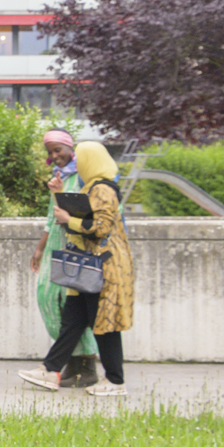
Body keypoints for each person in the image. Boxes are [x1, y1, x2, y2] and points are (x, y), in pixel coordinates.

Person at [20, 141, 135, 396]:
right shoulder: (90, 187)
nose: (78, 163)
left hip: (103, 268)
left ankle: (115, 381)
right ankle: (50, 370)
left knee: (104, 325)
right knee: (73, 320)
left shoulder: (103, 189)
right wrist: (57, 194)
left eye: (81, 159)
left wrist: (69, 219)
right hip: (89, 266)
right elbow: (72, 217)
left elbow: (101, 226)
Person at [29, 129, 100, 388]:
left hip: (77, 249)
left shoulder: (86, 178)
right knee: (47, 298)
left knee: (72, 308)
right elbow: (53, 215)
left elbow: (88, 215)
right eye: (50, 152)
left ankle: (84, 365)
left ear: (71, 148)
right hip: (55, 248)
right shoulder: (59, 177)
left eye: (58, 149)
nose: (54, 155)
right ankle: (74, 361)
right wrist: (39, 249)